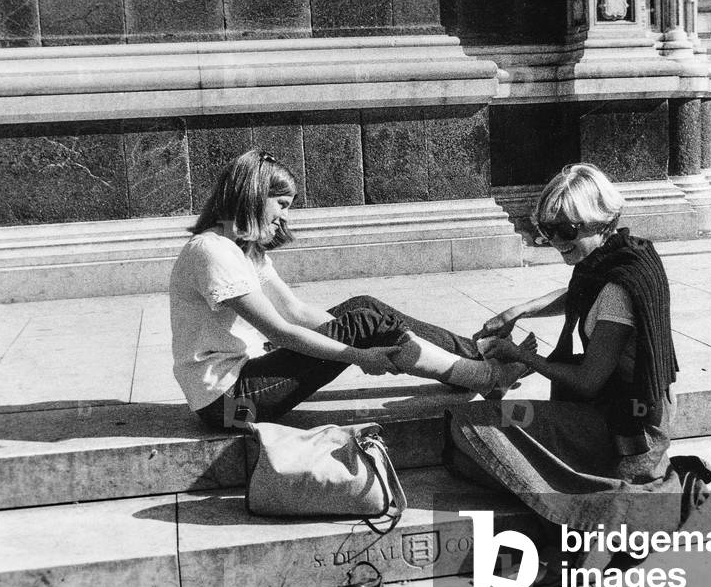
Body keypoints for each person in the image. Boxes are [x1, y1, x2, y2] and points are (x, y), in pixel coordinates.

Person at [444, 163, 711, 584]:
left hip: (627, 430)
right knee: (462, 457)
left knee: (471, 425)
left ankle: (624, 507)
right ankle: (599, 501)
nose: (555, 242)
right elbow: (580, 291)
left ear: (603, 221)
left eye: (566, 231)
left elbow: (587, 379)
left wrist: (519, 355)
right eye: (546, 230)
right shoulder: (624, 256)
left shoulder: (617, 289)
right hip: (626, 413)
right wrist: (521, 308)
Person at [169, 150, 529, 429]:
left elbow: (295, 311)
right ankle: (488, 376)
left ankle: (477, 355)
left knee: (363, 308)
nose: (285, 218)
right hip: (226, 408)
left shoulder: (241, 248)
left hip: (238, 389)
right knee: (364, 324)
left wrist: (363, 330)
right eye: (281, 205)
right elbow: (280, 331)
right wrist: (359, 353)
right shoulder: (211, 252)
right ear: (254, 194)